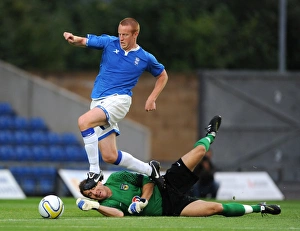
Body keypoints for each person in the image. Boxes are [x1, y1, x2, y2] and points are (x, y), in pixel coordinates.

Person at [75, 115, 281, 217]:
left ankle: (210, 134)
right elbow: (118, 215)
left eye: (93, 190)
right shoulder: (107, 205)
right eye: (92, 196)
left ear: (98, 181)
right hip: (172, 208)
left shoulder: (116, 179)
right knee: (215, 208)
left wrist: (143, 200)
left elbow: (147, 177)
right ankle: (259, 207)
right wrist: (96, 207)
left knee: (200, 153)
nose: (96, 194)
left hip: (166, 184)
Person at [63, 17, 168, 190]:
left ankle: (94, 172)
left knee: (83, 122)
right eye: (120, 34)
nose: (121, 38)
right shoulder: (109, 43)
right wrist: (73, 39)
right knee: (110, 156)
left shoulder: (144, 57)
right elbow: (83, 41)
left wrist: (152, 98)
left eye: (125, 35)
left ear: (136, 34)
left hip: (119, 100)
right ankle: (151, 170)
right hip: (98, 102)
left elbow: (162, 75)